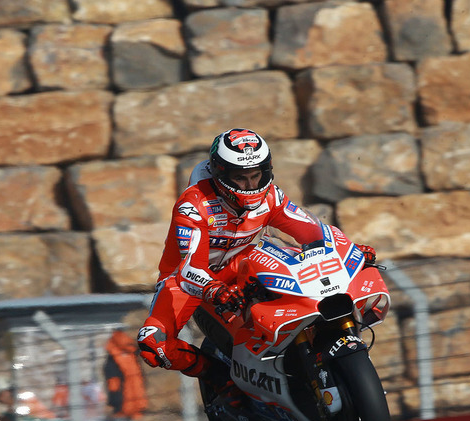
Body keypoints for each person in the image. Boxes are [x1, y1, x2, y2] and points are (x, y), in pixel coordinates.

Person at [137, 128, 376, 385]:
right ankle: (220, 380)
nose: (251, 186)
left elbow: (312, 230)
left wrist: (348, 249)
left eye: (256, 176)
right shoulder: (193, 206)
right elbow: (189, 268)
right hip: (188, 281)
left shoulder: (271, 196)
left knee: (295, 260)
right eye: (240, 178)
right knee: (152, 344)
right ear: (220, 173)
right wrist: (214, 289)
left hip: (243, 263)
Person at [103, 329, 147, 421]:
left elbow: (113, 385)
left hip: (123, 407)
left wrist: (114, 404)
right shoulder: (134, 353)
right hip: (139, 403)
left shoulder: (113, 358)